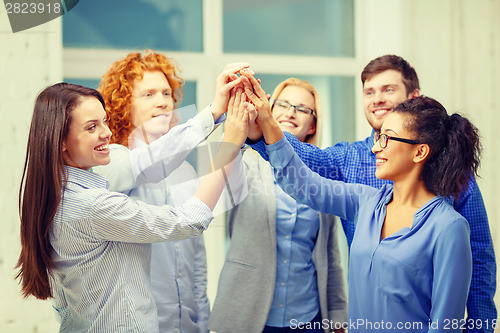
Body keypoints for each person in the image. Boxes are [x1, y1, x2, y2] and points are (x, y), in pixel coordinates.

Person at [245, 55, 496, 332]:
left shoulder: (449, 226)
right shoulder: (365, 201)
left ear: (420, 151)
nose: (376, 148)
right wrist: (266, 125)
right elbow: (300, 181)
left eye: (386, 139)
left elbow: (449, 318)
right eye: (369, 91)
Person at [15, 82, 249, 332]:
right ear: (59, 140)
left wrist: (214, 111)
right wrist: (230, 145)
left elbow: (62, 305)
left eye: (104, 121)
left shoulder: (54, 199)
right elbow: (189, 220)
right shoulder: (94, 204)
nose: (106, 132)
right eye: (91, 127)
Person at [92, 51, 248, 332]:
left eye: (166, 93)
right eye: (148, 94)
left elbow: (196, 261)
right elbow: (150, 162)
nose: (162, 101)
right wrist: (215, 112)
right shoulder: (112, 165)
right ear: (122, 105)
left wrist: (201, 322)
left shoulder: (185, 172)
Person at [208, 78, 346, 333]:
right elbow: (218, 175)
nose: (291, 112)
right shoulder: (246, 163)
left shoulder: (323, 176)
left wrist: (338, 317)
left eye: (303, 108)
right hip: (248, 314)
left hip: (308, 318)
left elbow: (331, 256)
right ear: (269, 110)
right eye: (283, 104)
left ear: (313, 125)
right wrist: (240, 126)